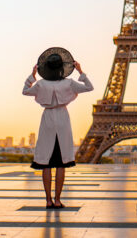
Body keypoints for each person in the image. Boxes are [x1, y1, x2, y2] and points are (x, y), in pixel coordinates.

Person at [22, 47, 94, 209]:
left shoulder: (41, 84)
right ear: (63, 68)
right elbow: (89, 87)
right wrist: (80, 71)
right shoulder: (69, 83)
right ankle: (58, 200)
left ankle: (48, 200)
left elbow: (25, 91)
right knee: (61, 163)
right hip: (62, 118)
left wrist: (32, 76)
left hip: (47, 119)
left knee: (45, 163)